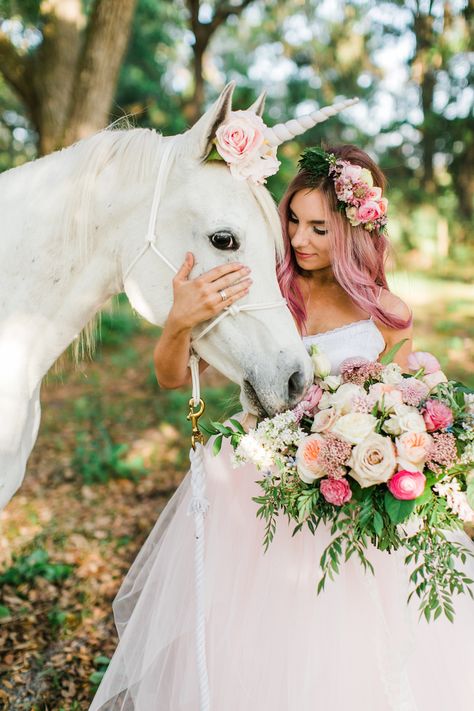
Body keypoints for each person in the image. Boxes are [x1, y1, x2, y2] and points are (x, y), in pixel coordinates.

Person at [89, 145, 474, 711]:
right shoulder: (265, 290)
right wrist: (180, 321)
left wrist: (393, 447)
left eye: (318, 227)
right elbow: (173, 377)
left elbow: (401, 398)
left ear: (351, 231)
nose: (298, 239)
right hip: (258, 491)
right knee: (252, 637)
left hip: (351, 497)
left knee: (359, 639)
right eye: (292, 219)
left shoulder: (385, 309)